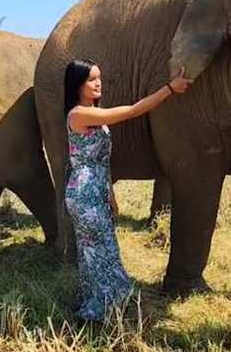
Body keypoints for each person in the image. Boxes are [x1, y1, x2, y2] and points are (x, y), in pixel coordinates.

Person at [63, 59, 191, 320]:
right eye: (91, 79)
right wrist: (170, 88)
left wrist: (110, 194)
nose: (98, 83)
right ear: (77, 84)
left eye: (99, 77)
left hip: (97, 190)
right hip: (84, 193)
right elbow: (133, 111)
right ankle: (103, 309)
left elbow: (100, 159)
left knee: (98, 250)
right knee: (99, 251)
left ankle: (101, 306)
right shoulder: (78, 114)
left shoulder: (92, 112)